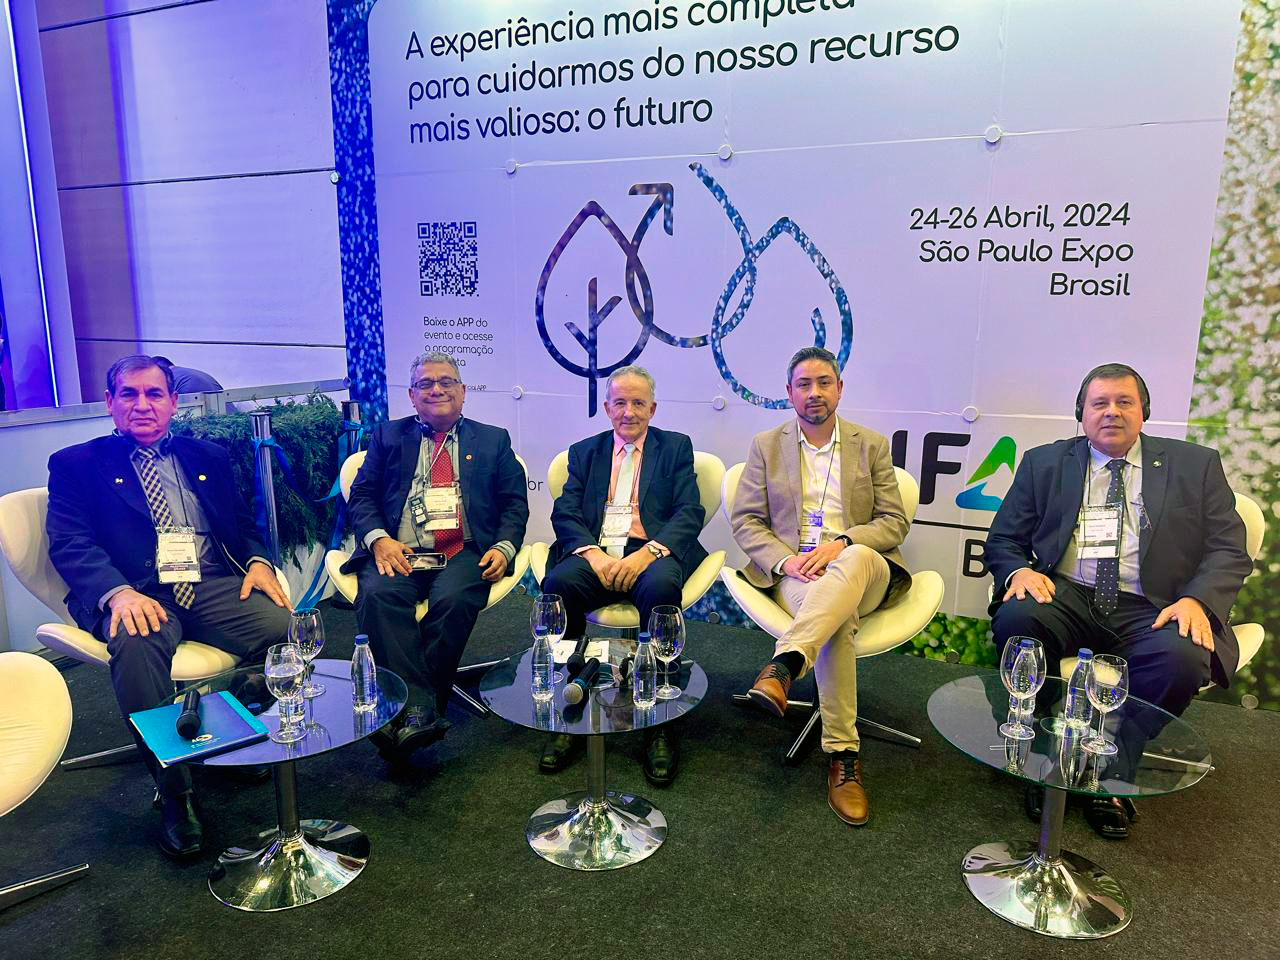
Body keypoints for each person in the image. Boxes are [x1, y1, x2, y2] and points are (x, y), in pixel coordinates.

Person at [985, 362, 1252, 838]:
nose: (1112, 412)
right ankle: (1047, 757)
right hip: (1067, 593)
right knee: (1018, 619)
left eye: (1124, 402)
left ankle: (1109, 769)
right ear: (1081, 415)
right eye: (1099, 403)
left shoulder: (1195, 464)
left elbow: (1229, 549)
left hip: (1154, 603)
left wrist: (1197, 600)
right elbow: (1004, 539)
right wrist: (1020, 570)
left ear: (1143, 412)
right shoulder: (1044, 463)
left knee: (1183, 658)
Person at [46, 355, 290, 858]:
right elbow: (70, 543)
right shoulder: (76, 464)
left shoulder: (209, 456)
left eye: (154, 394)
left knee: (285, 629)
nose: (143, 405)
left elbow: (243, 524)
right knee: (136, 645)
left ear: (174, 402)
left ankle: (233, 724)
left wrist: (258, 561)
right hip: (138, 592)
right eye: (129, 394)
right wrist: (118, 593)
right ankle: (175, 791)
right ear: (110, 403)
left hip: (210, 582)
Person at [731, 347, 912, 826]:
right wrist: (787, 561)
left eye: (824, 382)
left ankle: (785, 664)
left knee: (854, 558)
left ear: (840, 389)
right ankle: (843, 757)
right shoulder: (766, 446)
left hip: (865, 568)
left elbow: (893, 522)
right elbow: (747, 521)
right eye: (804, 384)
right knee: (836, 620)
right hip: (798, 575)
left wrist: (843, 544)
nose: (814, 393)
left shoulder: (870, 444)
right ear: (789, 392)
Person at [343, 351, 528, 764]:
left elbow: (514, 503)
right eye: (425, 383)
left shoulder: (493, 439)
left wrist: (503, 546)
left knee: (455, 599)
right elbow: (363, 495)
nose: (437, 389)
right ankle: (420, 713)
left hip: (462, 548)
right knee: (379, 597)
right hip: (398, 549)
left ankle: (402, 711)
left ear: (463, 392)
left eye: (446, 382)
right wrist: (378, 541)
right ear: (412, 395)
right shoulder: (388, 436)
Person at [538, 366, 707, 785]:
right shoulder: (585, 452)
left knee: (662, 587)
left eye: (638, 403)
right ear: (607, 407)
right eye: (619, 403)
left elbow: (689, 511)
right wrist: (594, 555)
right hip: (596, 552)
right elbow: (565, 511)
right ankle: (571, 699)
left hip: (651, 550)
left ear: (653, 408)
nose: (628, 412)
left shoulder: (675, 447)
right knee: (558, 584)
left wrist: (647, 553)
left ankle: (661, 719)